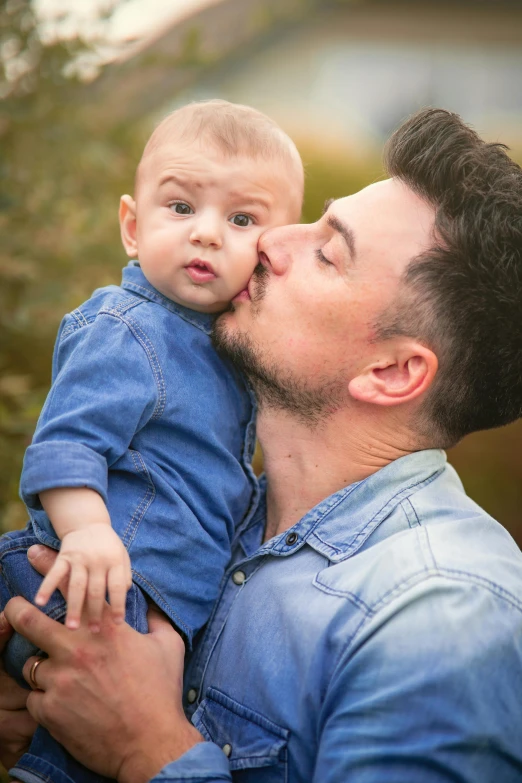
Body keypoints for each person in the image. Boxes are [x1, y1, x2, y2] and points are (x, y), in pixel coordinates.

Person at [2, 107, 522, 782]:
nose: (271, 241)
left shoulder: (443, 615)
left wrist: (146, 749)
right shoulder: (214, 505)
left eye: (327, 251)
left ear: (392, 372)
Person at [0, 99, 304, 783]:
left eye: (242, 219)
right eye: (181, 208)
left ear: (271, 256)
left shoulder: (229, 355)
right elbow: (67, 443)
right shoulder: (129, 329)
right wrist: (87, 533)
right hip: (96, 582)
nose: (205, 235)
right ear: (132, 228)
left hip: (150, 596)